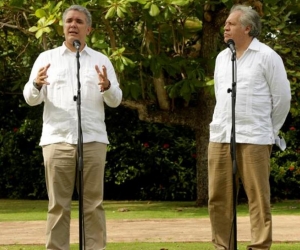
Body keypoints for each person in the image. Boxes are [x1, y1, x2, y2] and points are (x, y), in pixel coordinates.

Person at [23, 5, 122, 250]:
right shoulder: (47, 59)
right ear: (63, 27)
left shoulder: (101, 60)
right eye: (69, 21)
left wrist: (107, 86)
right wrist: (36, 83)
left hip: (93, 140)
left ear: (88, 28)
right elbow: (30, 98)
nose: (73, 25)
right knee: (58, 205)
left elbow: (116, 100)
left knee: (93, 204)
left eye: (79, 21)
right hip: (57, 141)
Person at [208, 4, 291, 250]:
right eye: (225, 24)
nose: (225, 27)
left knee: (258, 199)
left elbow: (282, 99)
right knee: (218, 199)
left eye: (230, 24)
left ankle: (260, 246)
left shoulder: (267, 56)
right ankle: (222, 246)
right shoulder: (222, 57)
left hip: (255, 137)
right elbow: (219, 95)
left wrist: (269, 130)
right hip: (221, 135)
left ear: (247, 28)